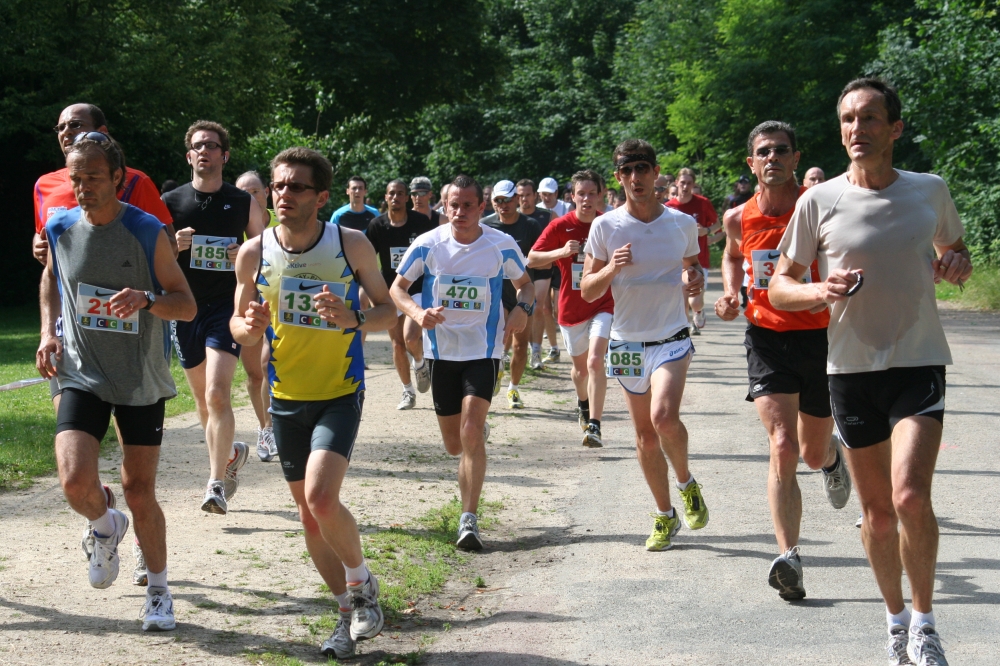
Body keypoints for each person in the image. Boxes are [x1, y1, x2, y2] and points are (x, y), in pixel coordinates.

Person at [769, 77, 971, 666]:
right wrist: (819, 289)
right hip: (851, 370)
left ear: (895, 128)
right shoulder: (819, 201)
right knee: (878, 516)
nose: (857, 129)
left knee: (910, 496)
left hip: (918, 361)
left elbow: (955, 251)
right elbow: (779, 286)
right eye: (848, 119)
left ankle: (926, 624)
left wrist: (956, 264)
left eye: (869, 118)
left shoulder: (929, 190)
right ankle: (895, 622)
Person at [231, 147, 396, 659]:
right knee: (308, 516)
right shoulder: (253, 252)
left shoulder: (350, 243)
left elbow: (388, 310)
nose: (284, 195)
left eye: (296, 187)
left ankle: (361, 584)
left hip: (339, 392)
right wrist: (249, 327)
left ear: (321, 197)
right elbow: (238, 326)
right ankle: (347, 613)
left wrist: (354, 318)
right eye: (278, 186)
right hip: (284, 398)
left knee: (323, 499)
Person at [36, 135, 197, 631]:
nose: (82, 187)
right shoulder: (59, 226)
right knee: (74, 481)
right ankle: (105, 526)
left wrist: (146, 299)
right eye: (75, 178)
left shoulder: (146, 230)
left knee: (139, 490)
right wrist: (47, 332)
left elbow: (186, 304)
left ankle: (159, 591)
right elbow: (51, 277)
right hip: (81, 371)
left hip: (138, 378)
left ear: (117, 178)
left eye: (92, 177)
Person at [715, 121, 852, 602]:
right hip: (767, 338)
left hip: (820, 338)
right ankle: (789, 557)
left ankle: (831, 458)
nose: (772, 158)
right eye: (763, 152)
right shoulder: (738, 217)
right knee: (782, 444)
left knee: (811, 453)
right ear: (751, 163)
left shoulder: (818, 207)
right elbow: (732, 256)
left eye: (781, 150)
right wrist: (731, 292)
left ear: (796, 158)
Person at [391, 175, 535, 550]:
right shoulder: (428, 244)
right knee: (455, 445)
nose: (460, 212)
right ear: (445, 206)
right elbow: (397, 289)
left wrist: (523, 308)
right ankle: (473, 440)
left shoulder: (500, 245)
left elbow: (526, 285)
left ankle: (468, 519)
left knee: (471, 431)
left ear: (481, 207)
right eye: (453, 205)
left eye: (468, 205)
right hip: (441, 353)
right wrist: (417, 313)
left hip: (483, 350)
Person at [581, 139, 709, 553]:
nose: (635, 177)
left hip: (671, 337)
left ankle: (686, 483)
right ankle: (664, 514)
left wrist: (695, 283)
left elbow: (692, 270)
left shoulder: (681, 224)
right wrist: (611, 268)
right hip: (627, 342)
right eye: (627, 170)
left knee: (664, 418)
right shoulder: (605, 227)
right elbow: (587, 289)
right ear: (618, 177)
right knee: (645, 436)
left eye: (642, 169)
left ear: (656, 173)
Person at [33, 105, 178, 415]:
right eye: (61, 127)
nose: (67, 132)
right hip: (69, 323)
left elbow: (167, 245)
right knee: (71, 428)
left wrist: (143, 293)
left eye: (76, 125)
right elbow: (49, 254)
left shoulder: (135, 181)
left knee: (129, 429)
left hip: (132, 330)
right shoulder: (44, 185)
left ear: (102, 132)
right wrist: (39, 246)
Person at [162, 120, 266, 516]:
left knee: (218, 393)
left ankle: (216, 484)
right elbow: (152, 259)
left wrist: (244, 253)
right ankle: (230, 456)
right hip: (185, 307)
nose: (204, 151)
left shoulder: (241, 202)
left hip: (227, 306)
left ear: (225, 155)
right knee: (204, 404)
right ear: (189, 156)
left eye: (211, 145)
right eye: (198, 146)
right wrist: (173, 246)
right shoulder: (170, 202)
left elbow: (267, 251)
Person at [528, 169, 613, 447]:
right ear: (572, 197)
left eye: (592, 193)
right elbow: (532, 258)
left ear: (600, 195)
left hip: (604, 303)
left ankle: (595, 425)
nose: (587, 199)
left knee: (595, 361)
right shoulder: (560, 226)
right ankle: (583, 402)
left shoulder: (609, 224)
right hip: (571, 307)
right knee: (580, 371)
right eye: (581, 194)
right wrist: (562, 252)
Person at [367, 179, 437, 409]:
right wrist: (367, 287)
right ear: (386, 197)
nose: (395, 197)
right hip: (391, 291)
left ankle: (420, 362)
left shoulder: (420, 222)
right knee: (397, 344)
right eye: (391, 193)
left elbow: (434, 252)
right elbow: (366, 259)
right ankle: (408, 391)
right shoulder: (377, 226)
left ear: (407, 198)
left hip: (416, 289)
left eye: (400, 193)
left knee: (410, 338)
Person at [481, 180, 542, 408]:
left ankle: (513, 388)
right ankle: (496, 368)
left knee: (520, 344)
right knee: (500, 339)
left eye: (507, 199)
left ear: (516, 199)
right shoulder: (485, 226)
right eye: (498, 200)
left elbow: (538, 258)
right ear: (492, 202)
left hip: (522, 290)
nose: (503, 204)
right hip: (495, 291)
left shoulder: (530, 225)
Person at [235, 170, 279, 462]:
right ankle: (265, 428)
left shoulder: (283, 220)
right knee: (255, 373)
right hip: (243, 299)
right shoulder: (230, 222)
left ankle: (277, 426)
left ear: (267, 192)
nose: (250, 198)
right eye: (243, 193)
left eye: (255, 192)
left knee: (269, 361)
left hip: (277, 298)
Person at [667, 168, 720, 334]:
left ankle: (699, 311)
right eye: (682, 183)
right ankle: (685, 331)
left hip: (699, 259)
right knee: (682, 300)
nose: (685, 186)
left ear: (693, 184)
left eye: (689, 183)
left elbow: (717, 225)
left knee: (695, 301)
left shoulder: (703, 203)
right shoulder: (668, 207)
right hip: (677, 261)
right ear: (676, 183)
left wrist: (706, 231)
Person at [516, 179, 557, 369]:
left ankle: (536, 352)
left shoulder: (547, 216)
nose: (524, 199)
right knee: (522, 307)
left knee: (538, 306)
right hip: (520, 269)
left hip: (542, 268)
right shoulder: (512, 216)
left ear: (535, 196)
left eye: (528, 195)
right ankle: (516, 350)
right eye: (520, 195)